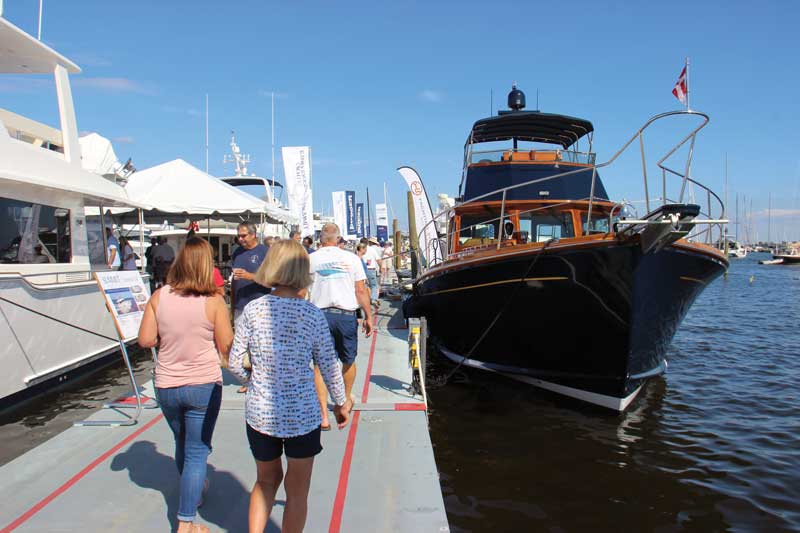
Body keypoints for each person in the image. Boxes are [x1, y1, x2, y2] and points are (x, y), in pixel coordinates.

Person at [228, 239, 351, 533]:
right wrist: (341, 403)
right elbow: (330, 366)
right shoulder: (311, 314)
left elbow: (233, 362)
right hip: (302, 416)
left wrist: (252, 382)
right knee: (297, 491)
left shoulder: (253, 310)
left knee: (265, 481)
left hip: (261, 414)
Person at [138, 237, 233, 533]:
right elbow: (227, 346)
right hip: (203, 383)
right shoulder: (214, 302)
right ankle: (186, 522)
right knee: (196, 450)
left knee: (182, 442)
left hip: (166, 384)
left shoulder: (159, 296)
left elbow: (145, 340)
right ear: (208, 266)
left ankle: (195, 490)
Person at [309, 223, 373, 430]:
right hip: (345, 315)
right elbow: (361, 290)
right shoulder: (352, 259)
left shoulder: (311, 259)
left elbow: (302, 290)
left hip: (318, 315)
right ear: (338, 239)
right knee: (348, 360)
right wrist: (368, 316)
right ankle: (344, 401)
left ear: (321, 239)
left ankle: (323, 416)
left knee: (319, 365)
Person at [231, 222, 270, 394]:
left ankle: (262, 379)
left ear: (253, 234)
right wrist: (232, 305)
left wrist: (250, 276)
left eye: (243, 235)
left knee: (259, 344)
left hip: (260, 305)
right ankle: (248, 379)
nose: (240, 239)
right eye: (238, 236)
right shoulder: (236, 252)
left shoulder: (264, 252)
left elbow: (271, 280)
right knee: (242, 345)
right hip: (240, 304)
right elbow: (234, 281)